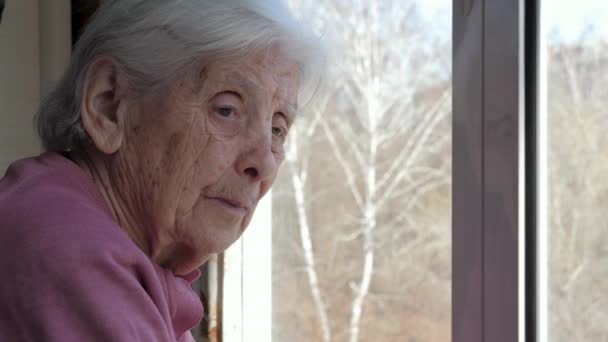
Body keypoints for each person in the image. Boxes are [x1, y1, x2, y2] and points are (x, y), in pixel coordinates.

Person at [0, 0, 323, 340]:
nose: (264, 162)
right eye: (227, 110)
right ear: (108, 105)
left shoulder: (134, 268)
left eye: (277, 128)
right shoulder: (66, 246)